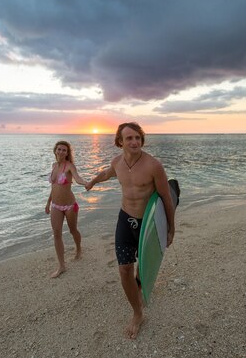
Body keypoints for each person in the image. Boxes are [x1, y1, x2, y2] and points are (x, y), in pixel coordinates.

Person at [86, 122, 176, 339]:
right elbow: (107, 173)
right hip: (126, 220)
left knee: (142, 267)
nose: (134, 141)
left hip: (148, 225)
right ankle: (137, 313)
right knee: (124, 269)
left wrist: (171, 229)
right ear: (120, 142)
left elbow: (166, 198)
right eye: (129, 138)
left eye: (137, 137)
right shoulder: (117, 162)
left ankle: (140, 288)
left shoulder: (154, 166)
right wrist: (92, 182)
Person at [45, 140, 87, 278]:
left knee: (72, 230)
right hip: (55, 205)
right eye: (59, 149)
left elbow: (77, 178)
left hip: (70, 205)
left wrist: (85, 183)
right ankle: (61, 266)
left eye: (64, 150)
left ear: (67, 153)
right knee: (56, 234)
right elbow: (54, 187)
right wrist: (48, 203)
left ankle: (79, 249)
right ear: (55, 151)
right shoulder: (53, 166)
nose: (61, 152)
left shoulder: (70, 166)